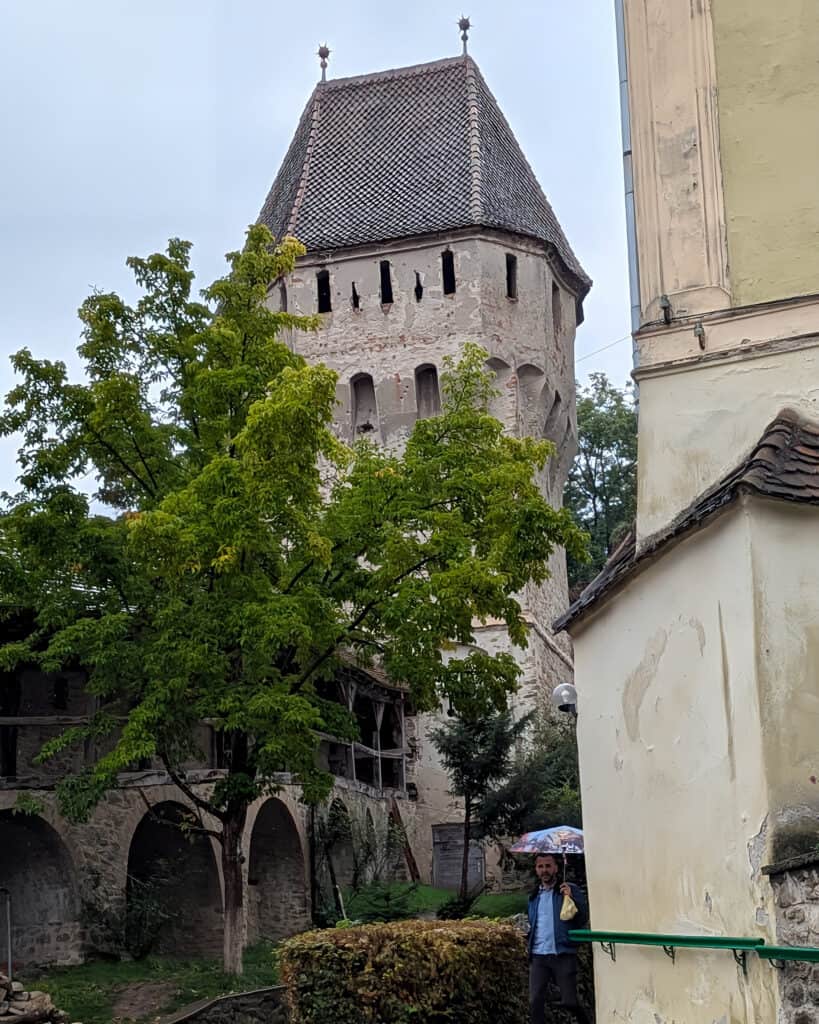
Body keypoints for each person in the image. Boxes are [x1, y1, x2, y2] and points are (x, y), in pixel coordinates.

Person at [527, 852, 590, 1024]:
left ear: (556, 867)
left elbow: (582, 918)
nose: (544, 870)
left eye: (548, 866)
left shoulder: (567, 889)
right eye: (540, 866)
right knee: (535, 1002)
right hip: (539, 955)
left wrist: (572, 897)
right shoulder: (533, 896)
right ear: (536, 869)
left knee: (570, 1001)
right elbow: (533, 923)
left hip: (562, 953)